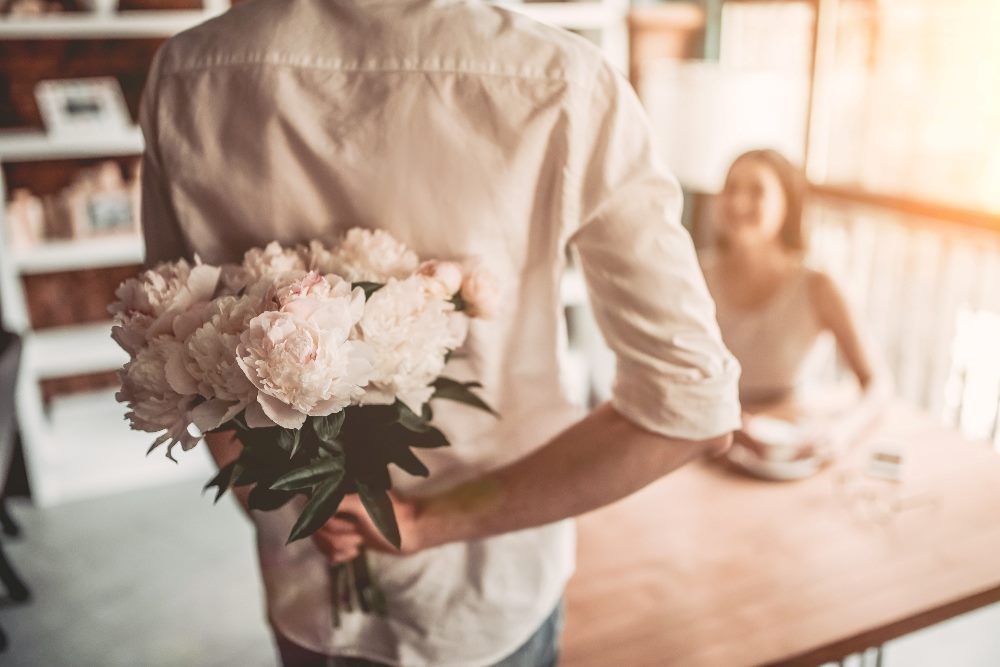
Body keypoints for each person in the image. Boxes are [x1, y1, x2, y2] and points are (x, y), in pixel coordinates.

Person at [138, 0, 741, 664]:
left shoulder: (188, 72)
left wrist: (273, 496)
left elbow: (175, 341)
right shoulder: (564, 81)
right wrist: (428, 522)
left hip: (308, 575)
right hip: (481, 594)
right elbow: (692, 407)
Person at [700, 149, 890, 462]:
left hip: (788, 454)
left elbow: (879, 385)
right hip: (709, 449)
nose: (738, 202)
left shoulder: (818, 285)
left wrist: (841, 432)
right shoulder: (696, 276)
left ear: (787, 204)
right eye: (731, 188)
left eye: (756, 191)